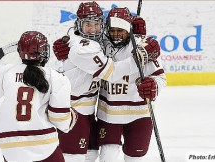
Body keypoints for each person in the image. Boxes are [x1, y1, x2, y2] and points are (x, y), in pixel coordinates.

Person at [52, 2, 148, 162]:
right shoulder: (82, 48)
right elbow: (112, 72)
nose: (93, 29)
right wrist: (142, 54)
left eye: (96, 24)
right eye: (87, 24)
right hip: (73, 110)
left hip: (87, 110)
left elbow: (117, 45)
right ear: (78, 25)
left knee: (91, 154)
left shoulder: (99, 40)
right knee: (73, 158)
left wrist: (136, 36)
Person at [0, 31, 77, 162]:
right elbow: (60, 119)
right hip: (43, 145)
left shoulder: (5, 72)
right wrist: (72, 116)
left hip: (10, 146)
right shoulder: (55, 77)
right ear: (44, 52)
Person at [97, 8, 167, 162]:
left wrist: (153, 85)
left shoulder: (143, 46)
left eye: (120, 30)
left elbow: (160, 77)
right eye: (112, 30)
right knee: (107, 156)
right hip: (109, 113)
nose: (115, 34)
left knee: (134, 158)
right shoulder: (101, 45)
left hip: (139, 114)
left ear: (129, 28)